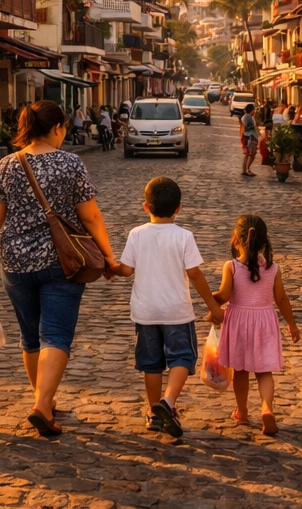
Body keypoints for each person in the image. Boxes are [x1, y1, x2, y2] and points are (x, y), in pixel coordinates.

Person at [0, 101, 118, 437]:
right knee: (56, 335)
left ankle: (43, 401)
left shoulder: (7, 164)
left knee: (30, 336)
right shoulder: (71, 164)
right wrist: (108, 256)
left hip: (15, 264)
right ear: (57, 129)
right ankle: (42, 405)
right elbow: (90, 215)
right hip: (62, 262)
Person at [109, 177, 224, 438]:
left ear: (145, 207)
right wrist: (213, 306)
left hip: (145, 312)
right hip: (176, 311)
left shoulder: (136, 234)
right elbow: (194, 274)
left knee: (151, 364)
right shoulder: (184, 236)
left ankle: (153, 413)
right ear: (179, 208)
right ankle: (168, 402)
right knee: (182, 357)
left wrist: (110, 268)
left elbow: (126, 270)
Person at [215, 214, 300, 436]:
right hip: (264, 324)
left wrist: (207, 299)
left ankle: (242, 413)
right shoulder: (273, 269)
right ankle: (266, 409)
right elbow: (281, 299)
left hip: (239, 324)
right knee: (264, 372)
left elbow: (223, 295)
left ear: (235, 239)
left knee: (241, 371)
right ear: (263, 242)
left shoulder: (231, 267)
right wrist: (292, 325)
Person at [240, 105, 259, 177]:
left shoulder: (247, 116)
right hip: (250, 137)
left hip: (249, 136)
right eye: (253, 110)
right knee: (250, 154)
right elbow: (250, 127)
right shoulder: (247, 117)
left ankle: (246, 169)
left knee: (249, 154)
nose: (254, 112)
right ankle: (246, 169)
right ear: (251, 110)